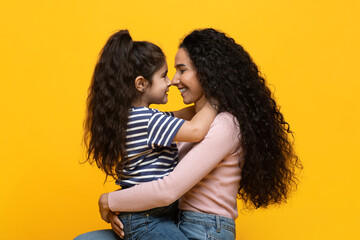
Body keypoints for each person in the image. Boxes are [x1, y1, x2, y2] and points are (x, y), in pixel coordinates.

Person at [97, 28, 302, 240]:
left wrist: (110, 200)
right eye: (170, 73)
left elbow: (169, 188)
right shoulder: (182, 123)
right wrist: (130, 216)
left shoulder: (225, 124)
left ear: (206, 72)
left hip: (205, 231)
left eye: (181, 70)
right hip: (174, 220)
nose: (174, 80)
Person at [74, 29, 217, 240]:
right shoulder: (149, 121)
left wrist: (202, 97)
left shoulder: (137, 118)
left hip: (143, 216)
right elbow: (196, 130)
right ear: (141, 84)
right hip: (149, 219)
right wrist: (217, 99)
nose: (170, 82)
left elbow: (188, 113)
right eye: (163, 76)